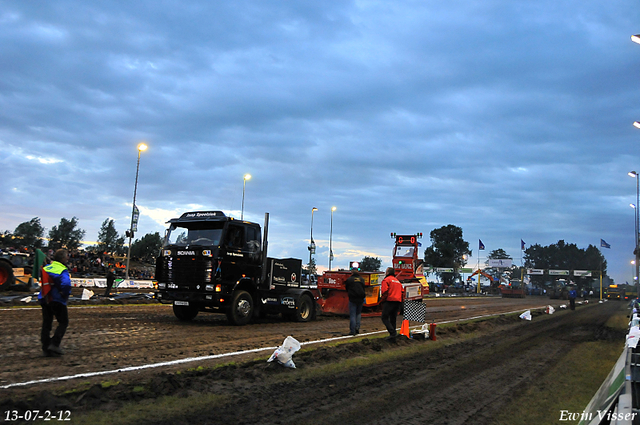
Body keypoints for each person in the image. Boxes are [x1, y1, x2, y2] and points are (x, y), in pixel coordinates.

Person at [38, 249, 72, 357]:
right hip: (57, 299)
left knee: (47, 323)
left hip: (45, 297)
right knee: (63, 322)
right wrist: (65, 294)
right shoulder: (62, 269)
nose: (68, 258)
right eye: (67, 256)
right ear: (62, 258)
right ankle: (54, 343)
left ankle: (45, 346)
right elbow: (66, 284)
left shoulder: (47, 267)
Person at [380, 267, 403, 340]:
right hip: (398, 301)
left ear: (388, 272)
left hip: (390, 300)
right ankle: (394, 334)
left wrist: (382, 301)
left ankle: (392, 333)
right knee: (393, 318)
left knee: (384, 317)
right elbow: (402, 292)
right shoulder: (397, 281)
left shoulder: (386, 280)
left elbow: (384, 291)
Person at [345, 270, 366, 335]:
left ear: (352, 273)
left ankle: (352, 330)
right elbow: (363, 288)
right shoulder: (362, 279)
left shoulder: (349, 279)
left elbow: (347, 288)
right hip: (360, 299)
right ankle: (357, 328)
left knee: (353, 314)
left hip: (353, 299)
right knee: (358, 314)